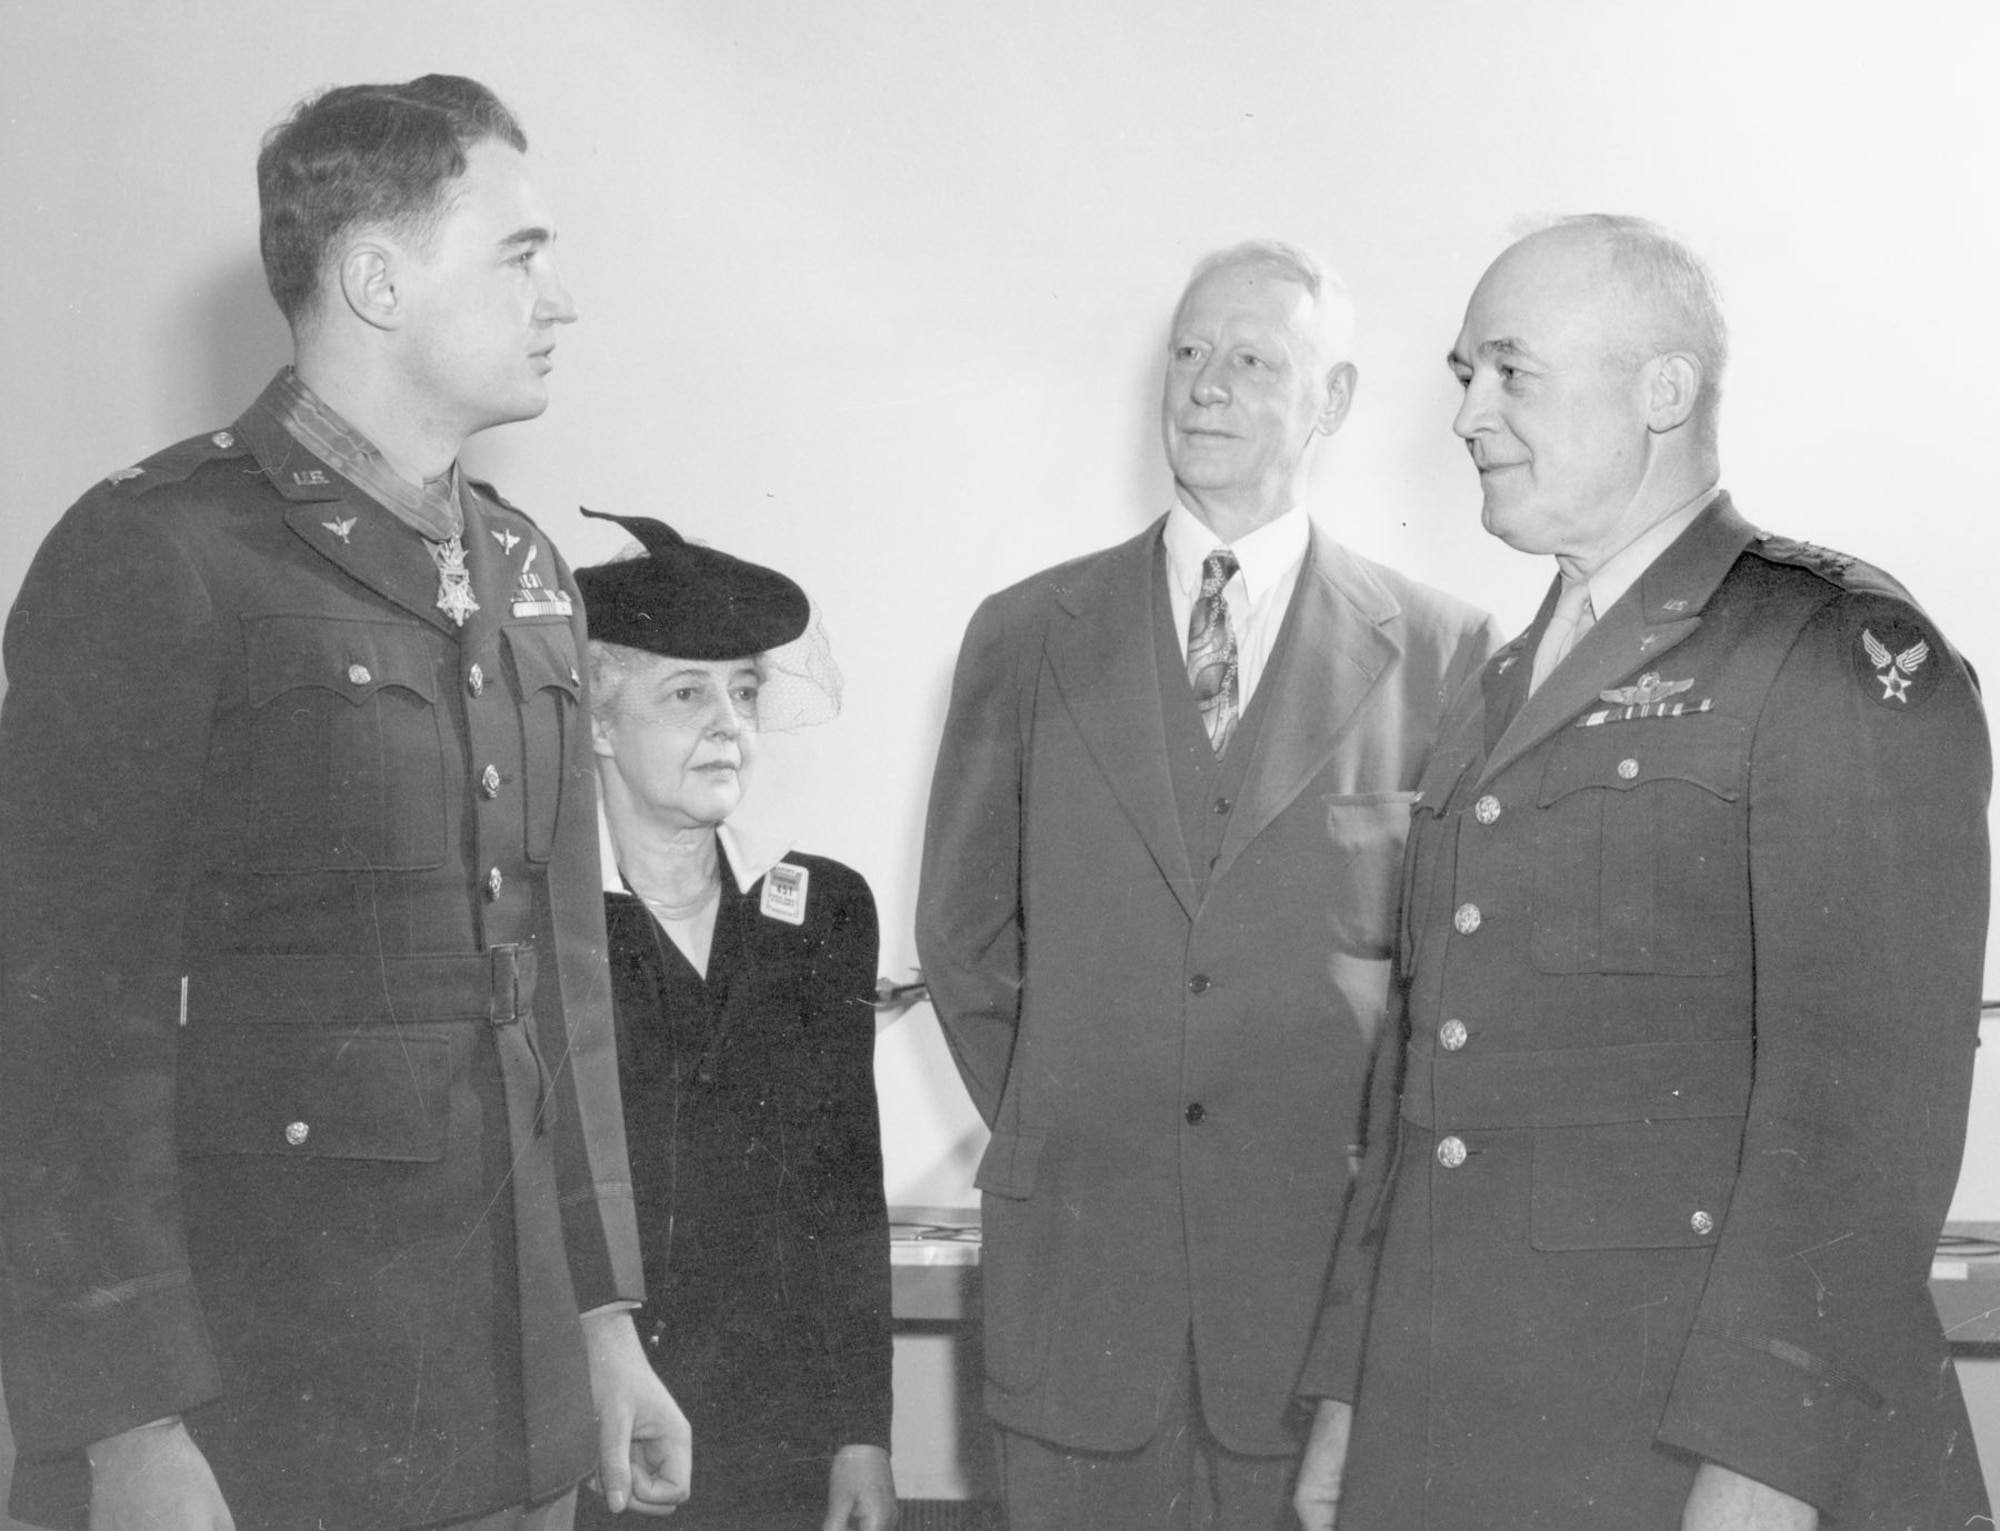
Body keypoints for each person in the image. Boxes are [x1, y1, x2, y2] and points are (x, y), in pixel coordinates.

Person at [0, 76, 688, 1530]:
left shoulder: (524, 571)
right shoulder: (161, 551)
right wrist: (124, 1416)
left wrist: (605, 1317)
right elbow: (60, 1014)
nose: (559, 297)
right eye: (520, 253)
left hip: (515, 1405)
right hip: (268, 1409)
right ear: (376, 276)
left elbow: (560, 991)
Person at [1294, 215, 1992, 1530]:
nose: (1468, 416)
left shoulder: (1824, 648)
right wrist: (1349, 1390)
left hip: (1693, 1453)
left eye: (1510, 370)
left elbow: (1866, 1112)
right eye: (1462, 375)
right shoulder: (1504, 678)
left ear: (1662, 390)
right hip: (1466, 1433)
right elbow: (1422, 1085)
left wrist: (1767, 1466)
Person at [915, 240, 1502, 1530]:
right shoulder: (1025, 635)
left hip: (1315, 1324)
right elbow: (962, 942)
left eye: (1250, 359)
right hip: (1076, 1295)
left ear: (1332, 400)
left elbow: (1443, 988)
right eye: (1187, 354)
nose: (1206, 386)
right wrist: (1067, 1122)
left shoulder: (1446, 652)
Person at [572, 510, 897, 1531]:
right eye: (686, 693)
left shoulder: (821, 909)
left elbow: (845, 1185)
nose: (730, 724)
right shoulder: (537, 915)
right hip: (594, 1433)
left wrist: (861, 1432)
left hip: (774, 1440)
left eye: (744, 692)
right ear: (594, 718)